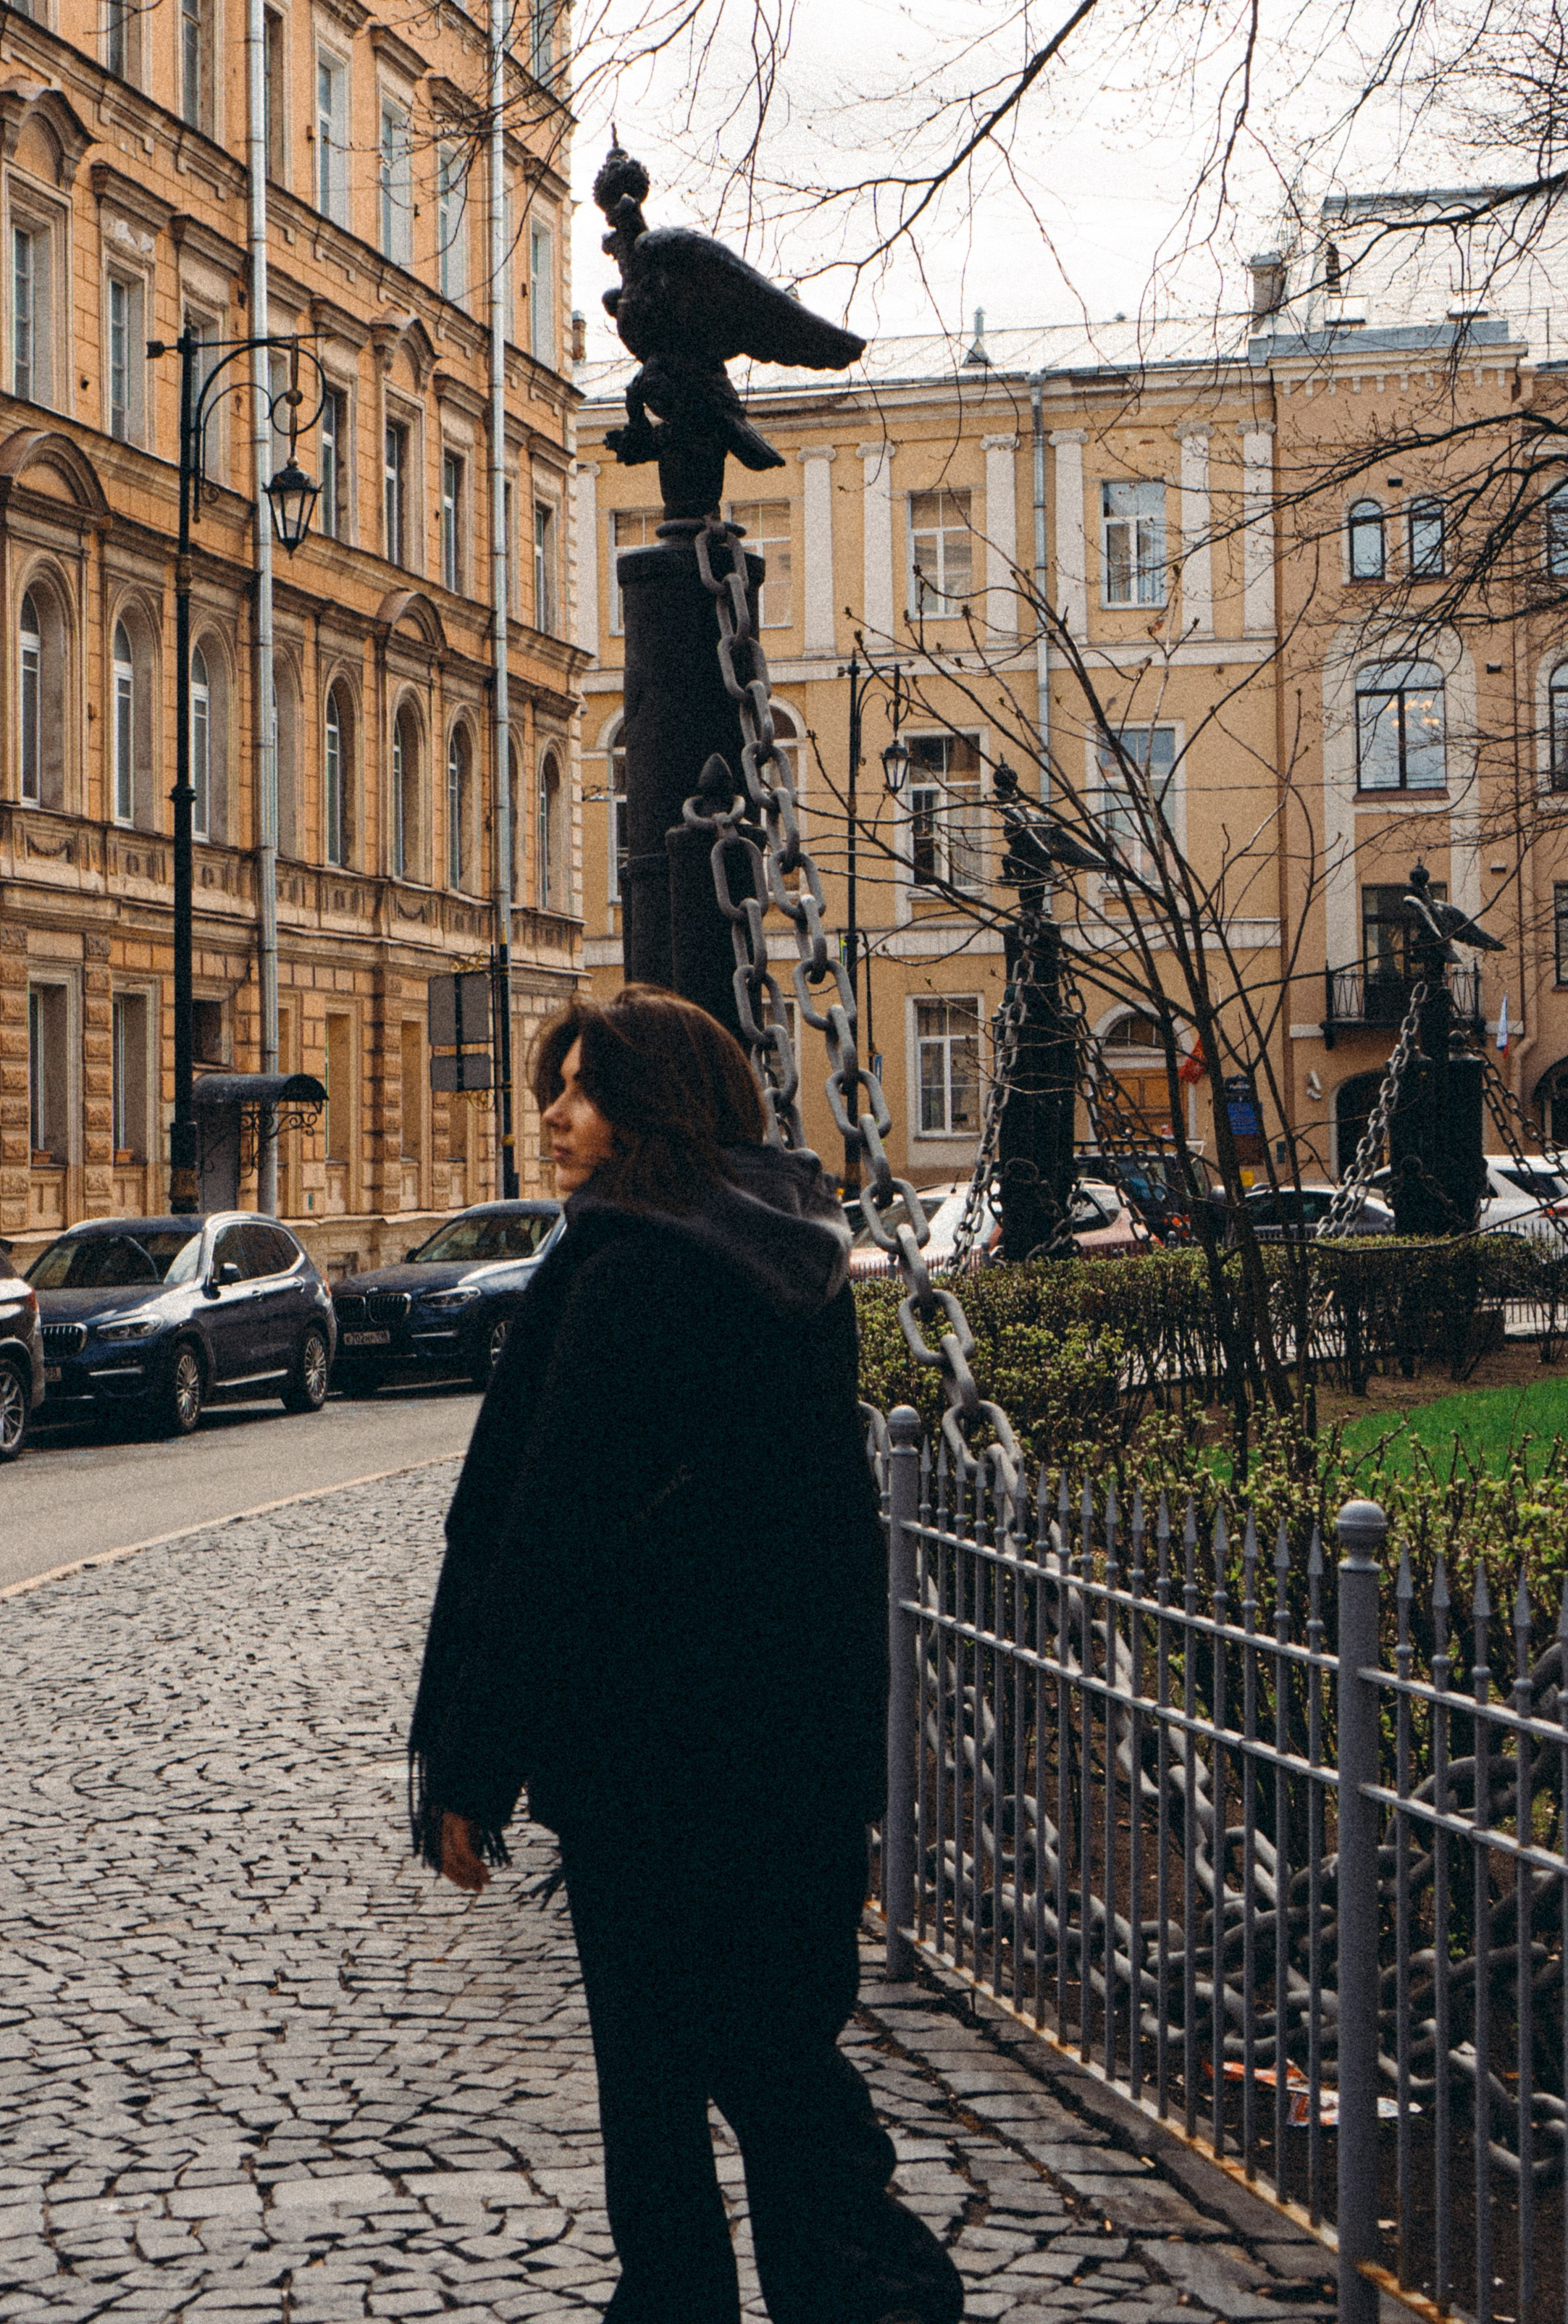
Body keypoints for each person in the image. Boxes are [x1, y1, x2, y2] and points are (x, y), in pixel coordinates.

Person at [408, 983, 963, 2324]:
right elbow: (833, 1534)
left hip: (651, 1761)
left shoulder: (629, 1270)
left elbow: (544, 1538)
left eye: (581, 1090)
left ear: (649, 1113)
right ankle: (850, 2289)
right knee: (775, 2041)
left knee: (661, 2075)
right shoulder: (790, 1255)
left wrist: (471, 1764)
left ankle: (769, 2297)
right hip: (788, 1759)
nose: (552, 1114)